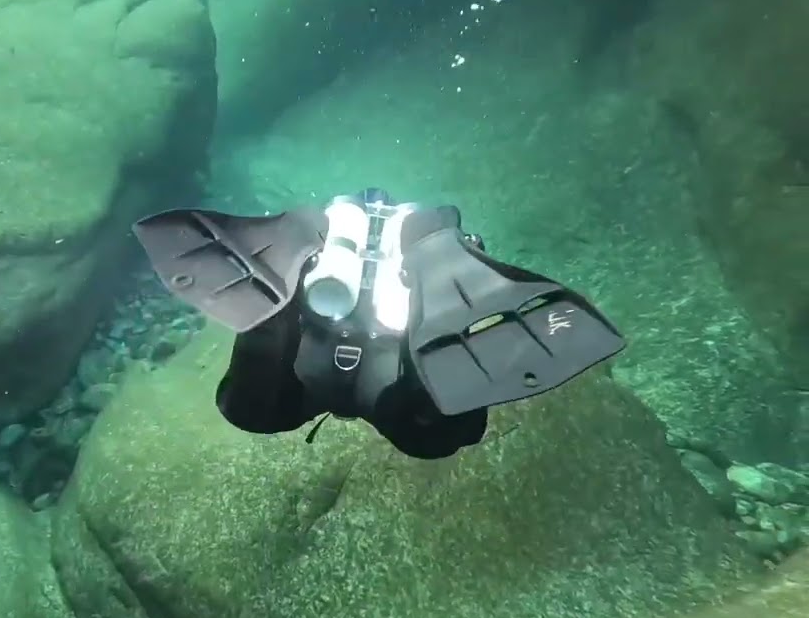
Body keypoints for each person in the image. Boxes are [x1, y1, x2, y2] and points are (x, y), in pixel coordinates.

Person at [132, 188, 625, 459]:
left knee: (248, 410)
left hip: (315, 354)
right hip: (392, 360)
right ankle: (432, 270)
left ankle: (288, 274)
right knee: (438, 435)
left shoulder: (294, 398)